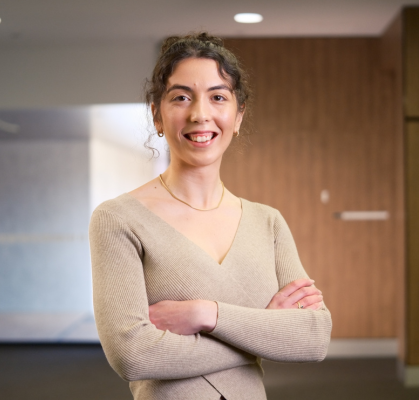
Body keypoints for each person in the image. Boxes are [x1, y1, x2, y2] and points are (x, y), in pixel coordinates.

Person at [89, 32, 332, 400]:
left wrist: (208, 314)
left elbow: (313, 338)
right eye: (181, 97)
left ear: (238, 116)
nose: (200, 114)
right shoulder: (118, 219)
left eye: (218, 97)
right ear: (156, 113)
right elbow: (133, 355)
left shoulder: (268, 223)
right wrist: (263, 333)